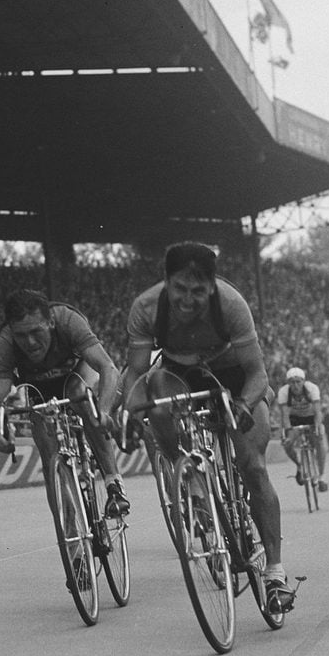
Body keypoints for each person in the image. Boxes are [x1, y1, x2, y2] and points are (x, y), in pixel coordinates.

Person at [121, 243, 294, 608]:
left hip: (233, 374)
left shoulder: (231, 304)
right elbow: (136, 373)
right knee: (157, 400)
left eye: (198, 291)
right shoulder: (147, 307)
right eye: (180, 289)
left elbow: (257, 373)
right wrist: (130, 414)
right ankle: (189, 476)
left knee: (253, 467)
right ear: (166, 282)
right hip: (179, 374)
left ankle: (275, 572)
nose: (187, 300)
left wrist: (244, 404)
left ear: (213, 286)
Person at [0, 289, 130, 545]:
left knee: (80, 397)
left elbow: (108, 367)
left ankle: (113, 483)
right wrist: (1, 433)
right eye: (21, 335)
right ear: (11, 330)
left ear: (50, 322)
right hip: (37, 385)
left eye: (36, 332)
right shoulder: (5, 342)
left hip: (76, 373)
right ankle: (69, 531)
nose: (30, 342)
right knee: (47, 451)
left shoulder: (68, 320)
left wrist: (104, 411)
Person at [277, 366, 328, 492]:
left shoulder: (312, 389)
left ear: (303, 381)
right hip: (294, 419)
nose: (295, 385)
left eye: (298, 382)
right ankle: (299, 465)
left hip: (311, 417)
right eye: (292, 382)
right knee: (287, 444)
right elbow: (285, 416)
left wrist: (317, 427)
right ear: (288, 383)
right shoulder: (284, 392)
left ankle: (321, 476)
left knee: (320, 443)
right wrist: (289, 433)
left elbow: (317, 411)